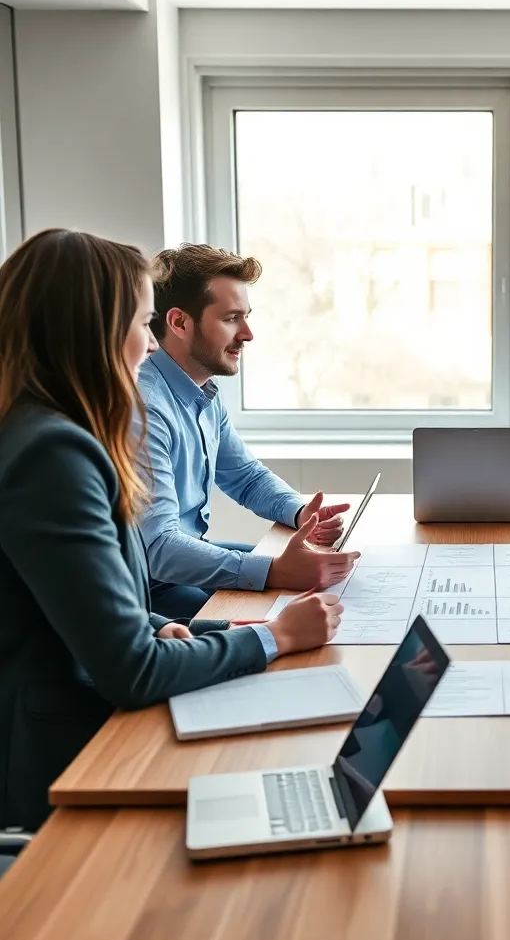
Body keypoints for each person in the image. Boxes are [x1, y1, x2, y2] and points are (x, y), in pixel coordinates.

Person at [0, 229, 341, 830]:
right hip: (67, 753)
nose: (146, 341)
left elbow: (97, 603)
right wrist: (274, 639)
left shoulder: (56, 433)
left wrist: (198, 627)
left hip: (88, 713)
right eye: (140, 322)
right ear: (96, 333)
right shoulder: (53, 454)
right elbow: (131, 671)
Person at [138, 243, 358, 621]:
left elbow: (245, 477)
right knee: (284, 610)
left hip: (179, 563)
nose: (248, 333)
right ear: (179, 323)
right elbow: (157, 548)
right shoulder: (144, 406)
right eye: (231, 318)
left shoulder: (200, 391)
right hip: (148, 586)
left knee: (323, 582)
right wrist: (273, 571)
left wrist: (303, 512)